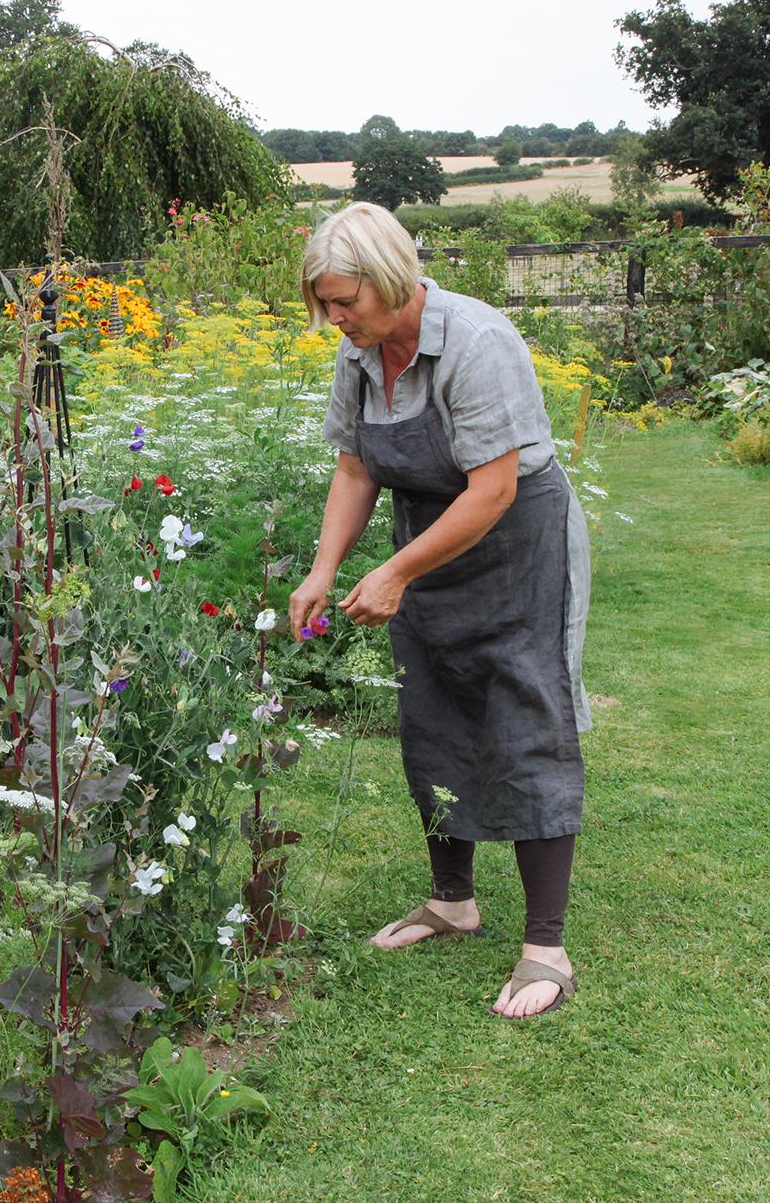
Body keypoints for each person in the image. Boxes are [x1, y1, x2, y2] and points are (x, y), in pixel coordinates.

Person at [286, 202, 591, 1018]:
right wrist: (326, 570)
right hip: (425, 543)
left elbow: (492, 489)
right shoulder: (360, 354)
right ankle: (453, 900)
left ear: (391, 281)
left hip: (514, 541)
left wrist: (395, 572)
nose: (336, 318)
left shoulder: (478, 343)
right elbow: (356, 470)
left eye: (345, 300)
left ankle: (546, 947)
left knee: (522, 711)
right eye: (327, 304)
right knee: (433, 712)